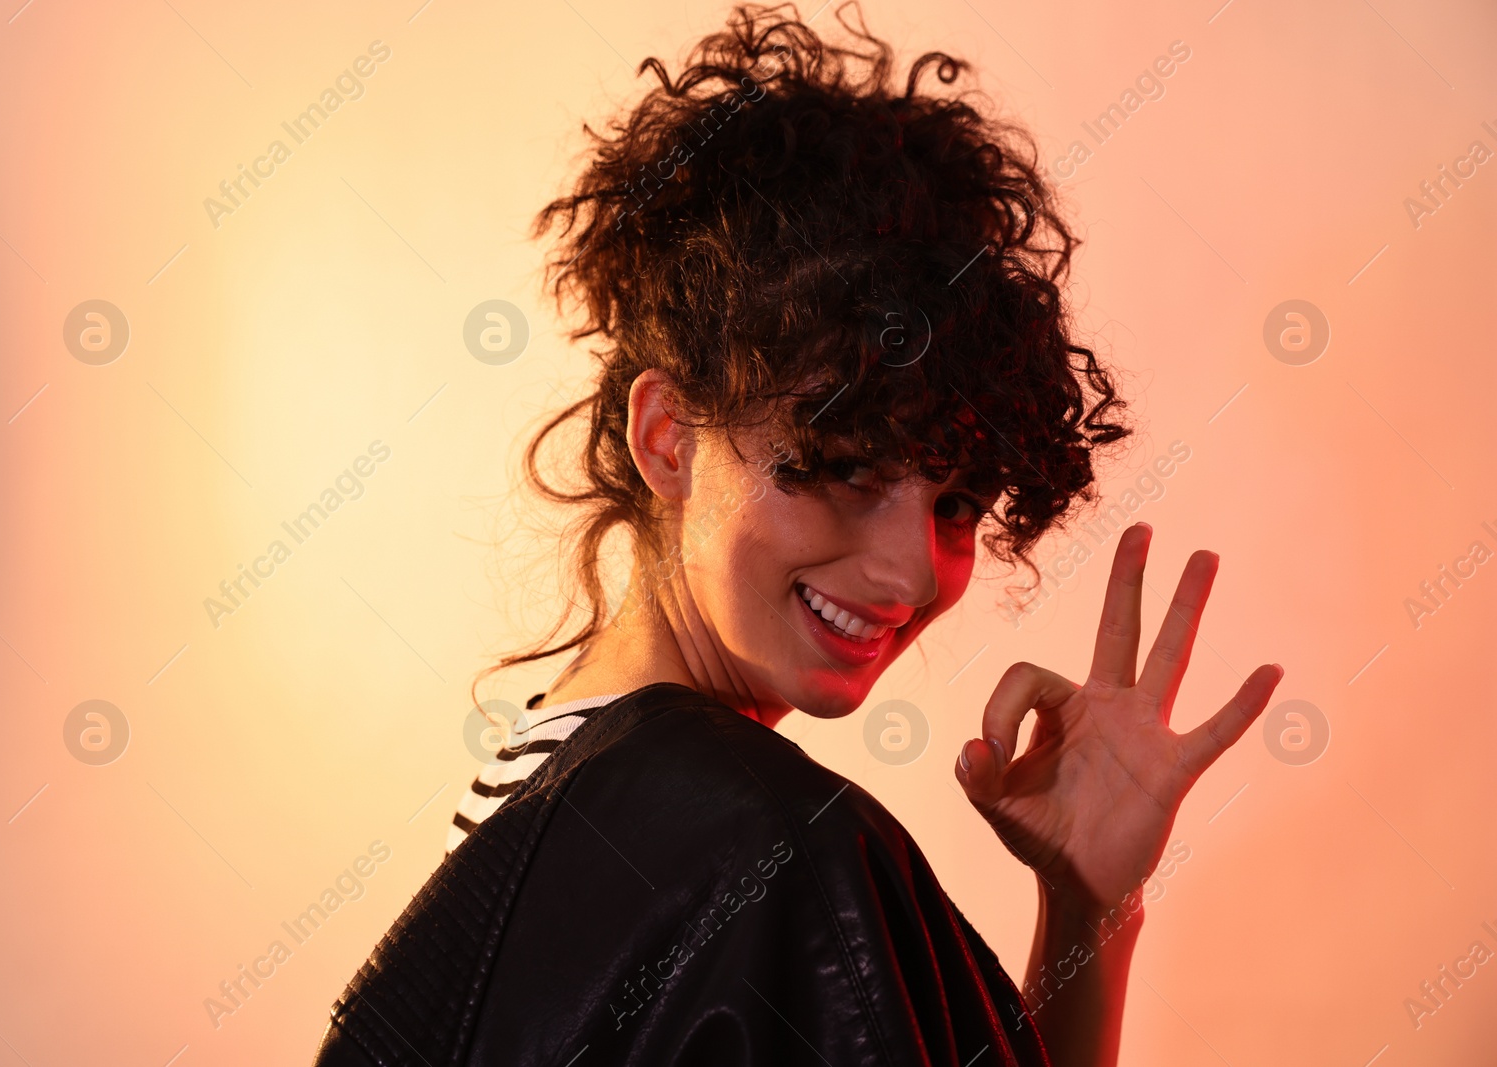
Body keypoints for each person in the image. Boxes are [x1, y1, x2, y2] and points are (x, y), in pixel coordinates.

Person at [311, 4, 1283, 1064]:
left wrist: (1086, 907)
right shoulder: (769, 843)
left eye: (958, 498)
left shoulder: (550, 795)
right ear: (669, 437)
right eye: (846, 466)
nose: (915, 566)